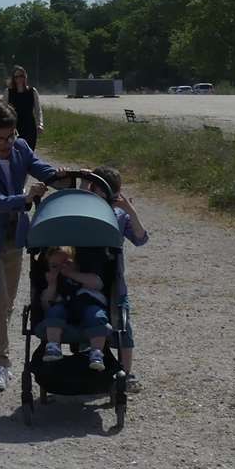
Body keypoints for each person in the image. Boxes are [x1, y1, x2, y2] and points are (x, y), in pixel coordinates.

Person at [0, 98, 65, 392]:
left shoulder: (21, 148)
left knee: (4, 304)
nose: (7, 143)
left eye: (11, 136)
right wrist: (26, 198)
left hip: (15, 239)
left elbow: (43, 171)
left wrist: (67, 178)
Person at [87, 166, 150, 393]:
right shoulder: (83, 211)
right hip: (87, 277)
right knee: (90, 320)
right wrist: (84, 185)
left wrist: (130, 210)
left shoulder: (119, 215)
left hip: (114, 282)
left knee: (123, 328)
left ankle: (127, 372)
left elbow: (141, 238)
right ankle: (93, 363)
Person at [37, 246, 111, 371]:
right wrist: (52, 284)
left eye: (66, 263)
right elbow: (45, 304)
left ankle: (96, 352)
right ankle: (53, 346)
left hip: (88, 305)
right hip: (65, 311)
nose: (61, 268)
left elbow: (97, 283)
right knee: (54, 311)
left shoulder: (83, 276)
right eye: (55, 266)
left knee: (96, 315)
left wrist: (72, 274)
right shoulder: (55, 282)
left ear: (76, 263)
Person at [4, 65, 44, 150]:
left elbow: (38, 110)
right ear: (13, 78)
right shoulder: (8, 92)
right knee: (16, 153)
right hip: (14, 127)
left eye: (21, 76)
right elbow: (3, 110)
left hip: (30, 126)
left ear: (25, 76)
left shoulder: (32, 91)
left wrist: (40, 124)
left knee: (29, 152)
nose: (19, 79)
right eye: (16, 77)